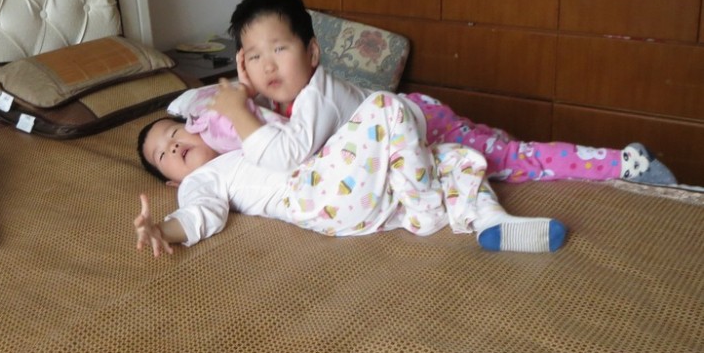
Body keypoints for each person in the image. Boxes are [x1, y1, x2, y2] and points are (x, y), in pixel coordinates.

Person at [209, 0, 677, 185]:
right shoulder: (282, 97)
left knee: (513, 161)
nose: (268, 65)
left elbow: (287, 155)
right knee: (499, 149)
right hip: (414, 121)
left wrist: (237, 108)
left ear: (313, 53)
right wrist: (248, 92)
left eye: (279, 49)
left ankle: (627, 163)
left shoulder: (317, 96)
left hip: (425, 128)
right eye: (254, 56)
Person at [135, 91, 567, 258]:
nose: (171, 147)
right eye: (162, 155)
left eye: (173, 134)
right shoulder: (202, 180)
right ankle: (426, 211)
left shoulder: (248, 138)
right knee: (385, 106)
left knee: (450, 158)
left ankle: (491, 223)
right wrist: (163, 229)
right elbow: (200, 213)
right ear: (173, 181)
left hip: (352, 187)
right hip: (314, 195)